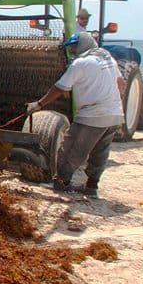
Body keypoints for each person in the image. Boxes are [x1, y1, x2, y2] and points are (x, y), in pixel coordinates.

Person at [26, 31, 124, 197]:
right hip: (114, 114)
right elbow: (119, 83)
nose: (71, 50)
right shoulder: (108, 59)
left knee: (71, 150)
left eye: (73, 46)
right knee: (100, 153)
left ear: (83, 45)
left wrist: (39, 104)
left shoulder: (81, 63)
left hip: (92, 116)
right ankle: (91, 187)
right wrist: (112, 102)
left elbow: (60, 87)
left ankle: (62, 183)